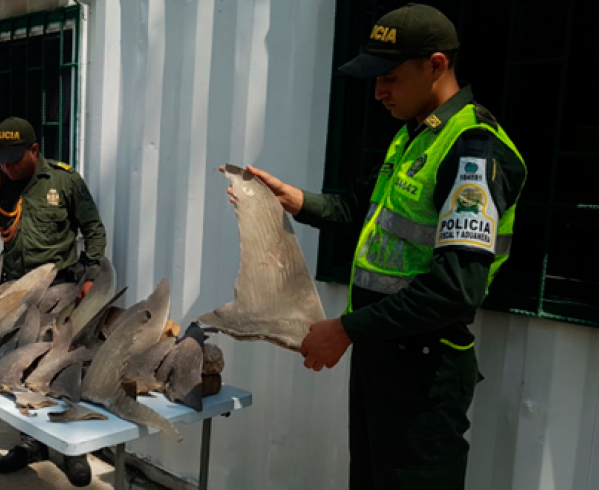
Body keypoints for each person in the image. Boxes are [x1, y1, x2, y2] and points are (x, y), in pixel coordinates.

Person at [223, 4, 526, 489]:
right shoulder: (413, 137)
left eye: (390, 77)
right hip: (383, 355)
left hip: (424, 371)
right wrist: (295, 201)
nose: (379, 91)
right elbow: (362, 208)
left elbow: (456, 289)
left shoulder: (472, 150)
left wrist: (345, 330)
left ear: (436, 65)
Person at [0, 116, 107, 487]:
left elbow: (93, 230)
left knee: (62, 367)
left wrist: (92, 275)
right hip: (15, 293)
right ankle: (30, 442)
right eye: (1, 160)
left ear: (34, 150)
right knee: (21, 368)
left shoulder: (64, 181)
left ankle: (73, 449)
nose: (7, 167)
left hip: (61, 291)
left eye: (14, 159)